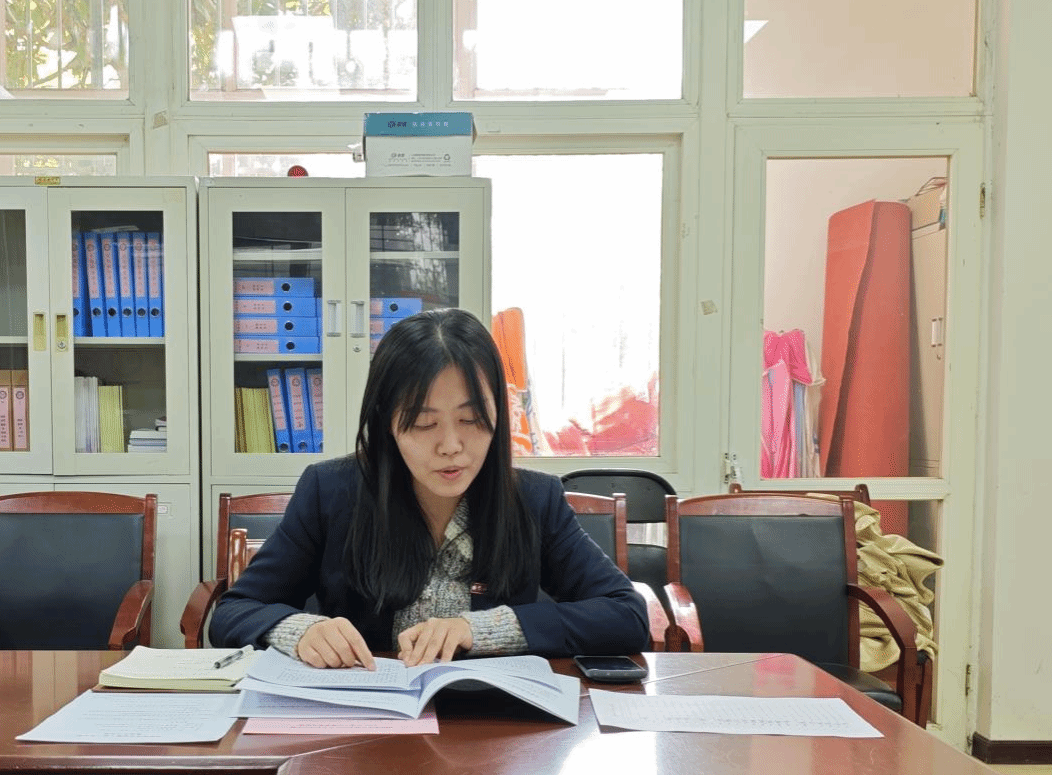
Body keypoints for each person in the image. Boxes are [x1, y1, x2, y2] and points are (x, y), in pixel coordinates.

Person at [209, 307, 648, 669]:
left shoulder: (533, 499)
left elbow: (626, 614)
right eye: (423, 423)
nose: (451, 446)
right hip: (367, 719)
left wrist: (480, 629)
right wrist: (302, 630)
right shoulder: (331, 491)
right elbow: (233, 611)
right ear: (387, 422)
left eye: (471, 418)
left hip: (490, 724)